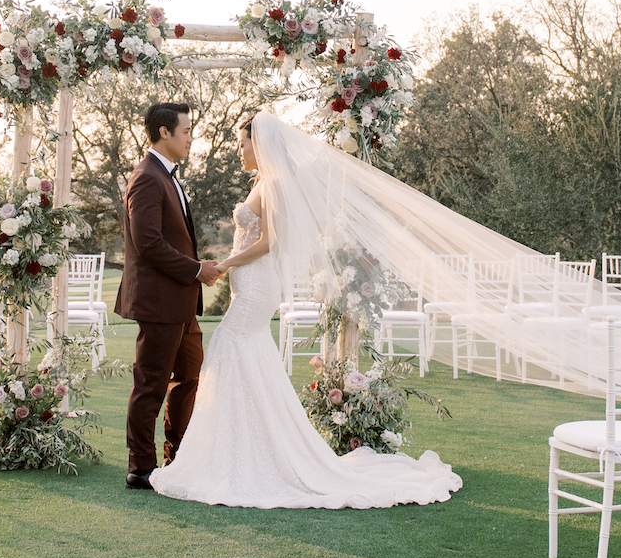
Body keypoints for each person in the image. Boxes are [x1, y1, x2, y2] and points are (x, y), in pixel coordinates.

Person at [146, 110, 462, 509]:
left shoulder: (274, 183)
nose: (238, 151)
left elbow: (269, 243)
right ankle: (245, 450)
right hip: (251, 287)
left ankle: (236, 457)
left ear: (257, 144)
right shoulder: (263, 181)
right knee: (248, 361)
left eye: (242, 144)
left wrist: (226, 264)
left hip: (257, 288)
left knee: (228, 350)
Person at [116, 102, 223, 490]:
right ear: (165, 133)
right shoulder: (146, 177)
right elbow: (148, 243)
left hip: (180, 303)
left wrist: (197, 266)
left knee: (189, 378)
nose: (191, 136)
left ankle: (176, 456)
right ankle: (140, 467)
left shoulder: (168, 176)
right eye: (186, 130)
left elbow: (172, 238)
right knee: (151, 385)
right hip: (160, 303)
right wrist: (197, 270)